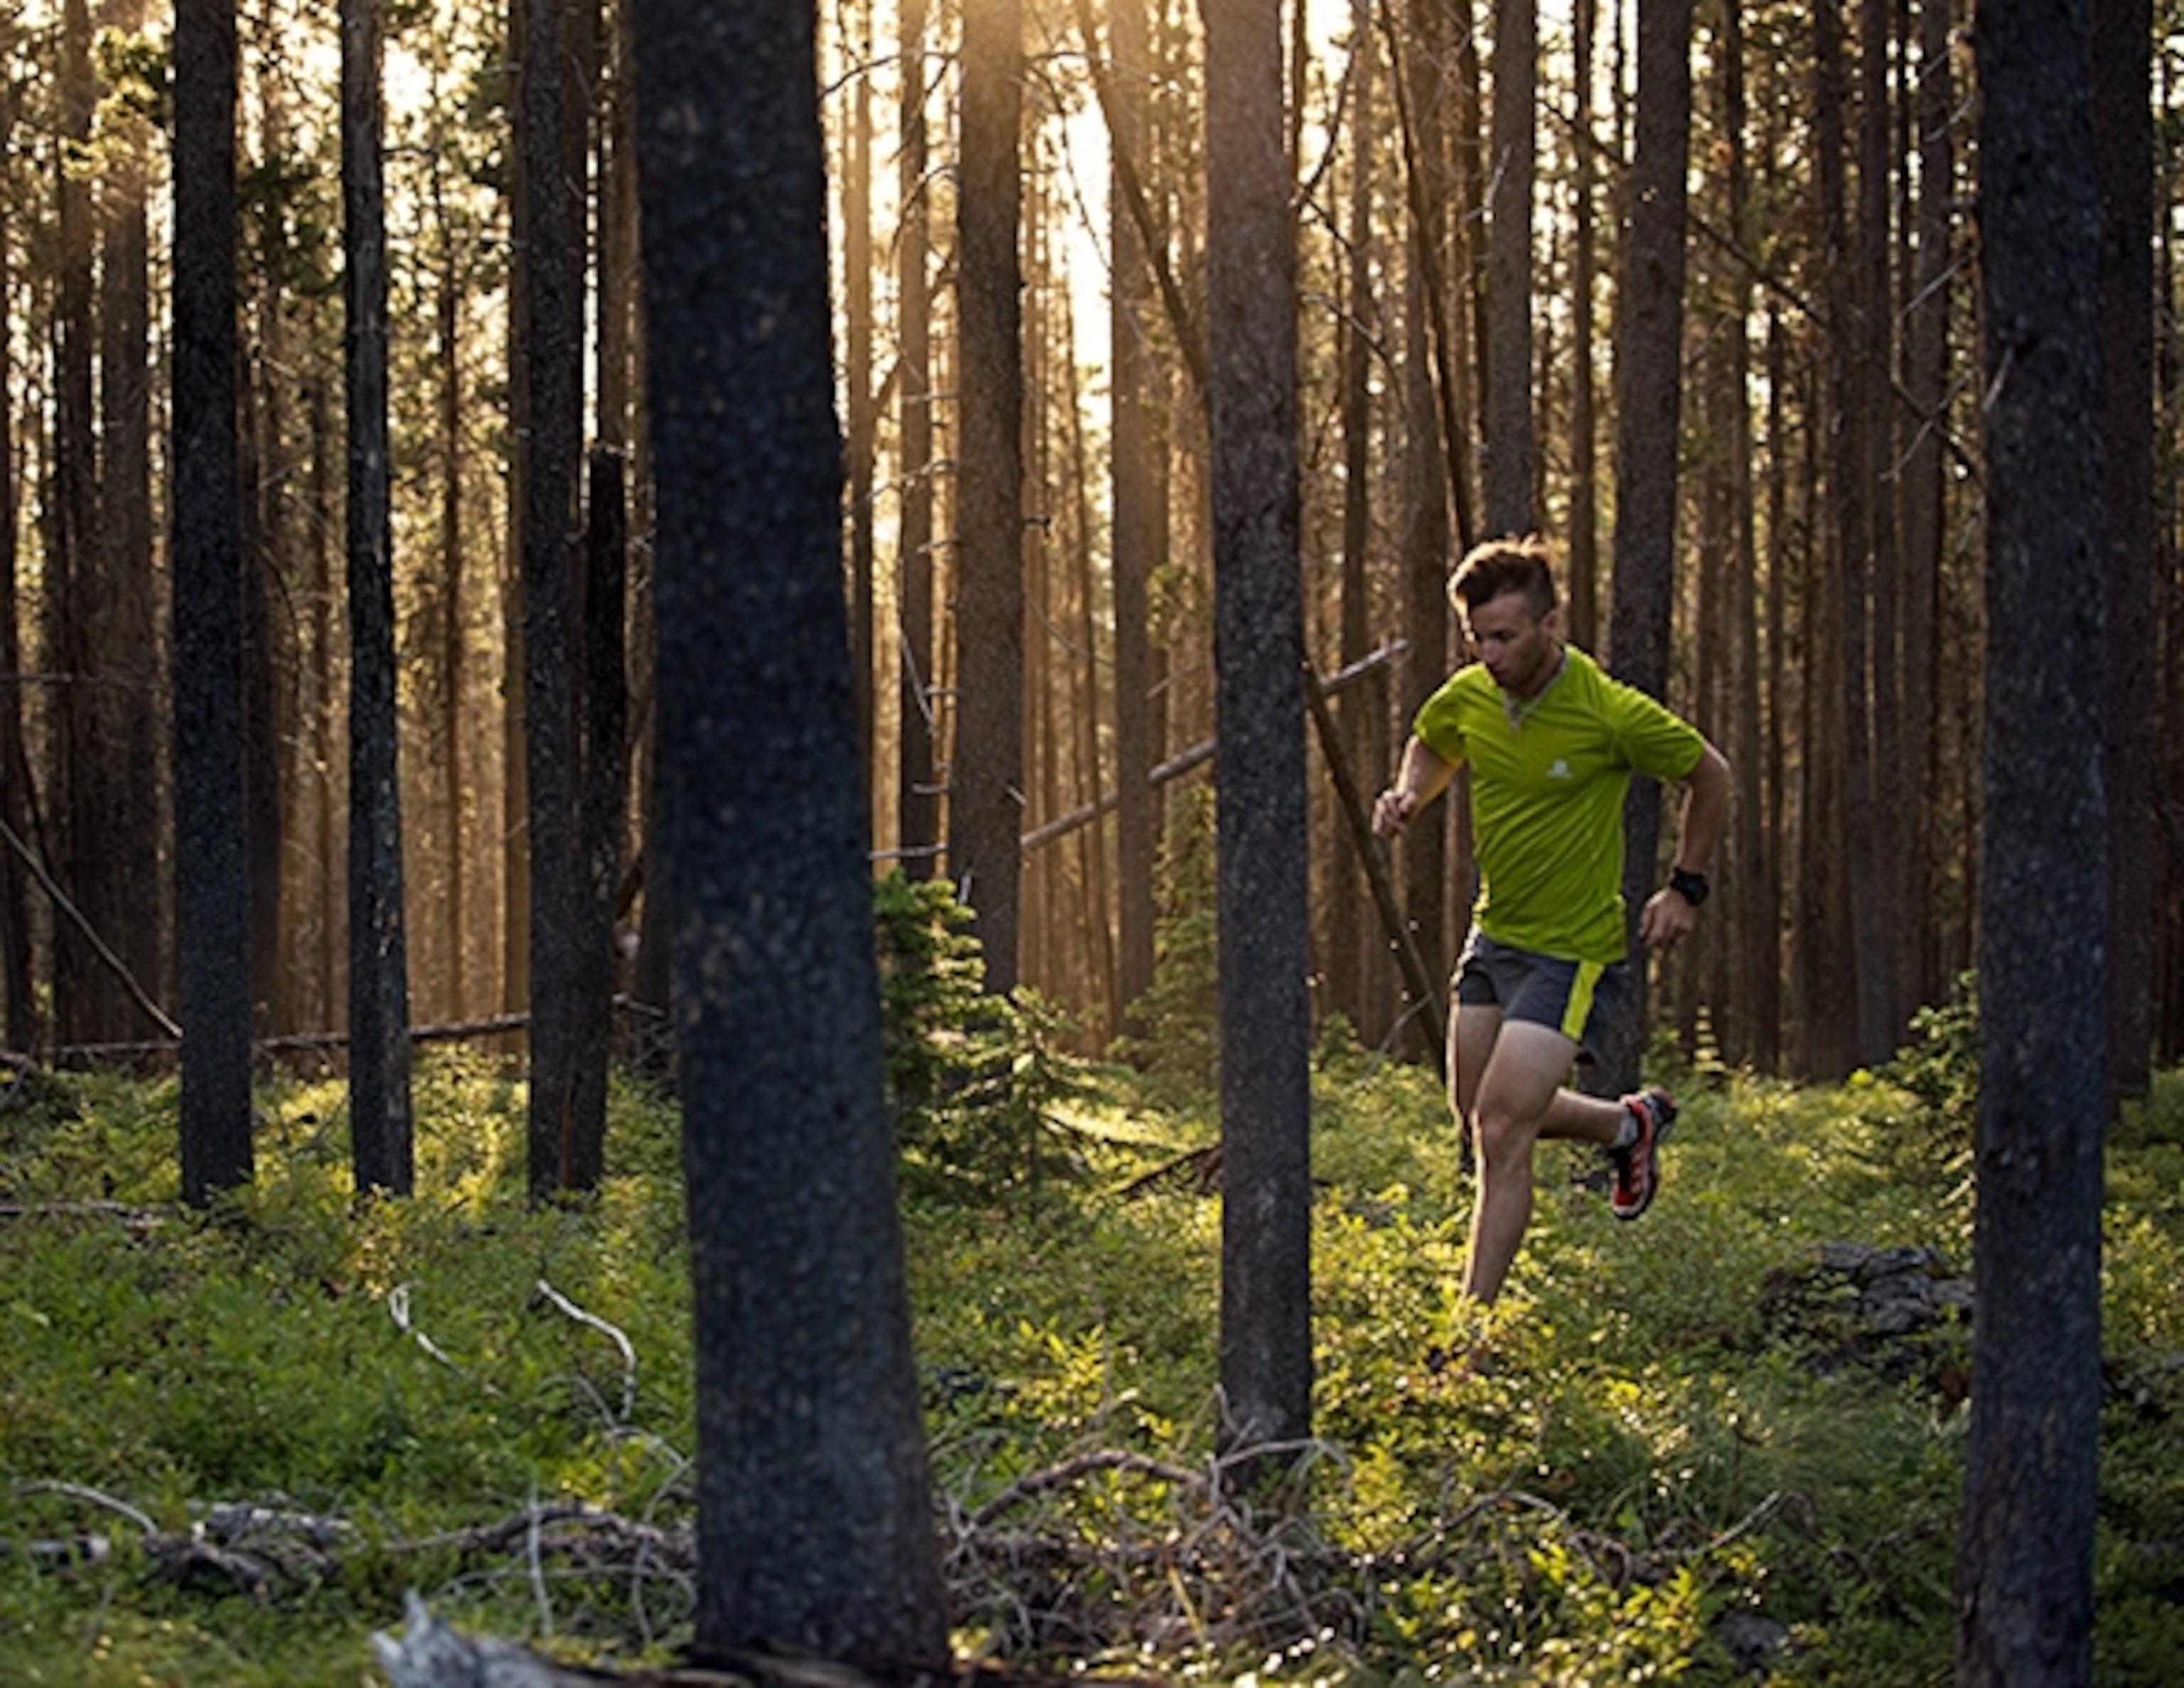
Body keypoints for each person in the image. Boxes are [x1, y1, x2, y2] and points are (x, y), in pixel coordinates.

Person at [1373, 535, 1730, 1304]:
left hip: (1569, 951)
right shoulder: (1470, 695)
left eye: (1504, 636)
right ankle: (1627, 1126)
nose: (1490, 653)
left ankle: (1473, 1332)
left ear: (1549, 624)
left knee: (1504, 1132)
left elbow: (1711, 774)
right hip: (1493, 935)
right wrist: (1409, 794)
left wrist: (1685, 888)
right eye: (1478, 637)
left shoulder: (1607, 711)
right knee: (1477, 1112)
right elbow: (1432, 742)